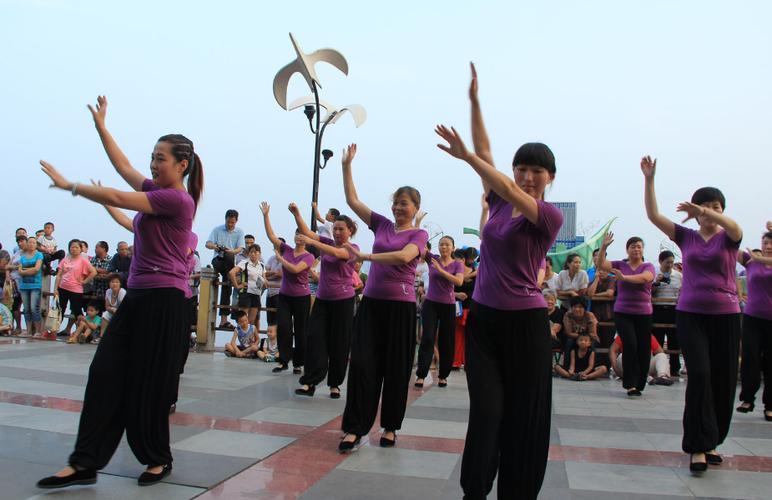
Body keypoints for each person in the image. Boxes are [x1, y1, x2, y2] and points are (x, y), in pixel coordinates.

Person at [36, 95, 203, 489]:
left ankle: (157, 459)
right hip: (138, 298)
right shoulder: (156, 189)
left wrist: (70, 186)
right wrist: (102, 127)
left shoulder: (177, 200)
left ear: (181, 165)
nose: (152, 164)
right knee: (105, 371)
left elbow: (115, 196)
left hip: (164, 302)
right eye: (153, 156)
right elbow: (123, 168)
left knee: (149, 383)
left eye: (161, 158)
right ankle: (85, 462)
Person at [433, 63, 563, 499]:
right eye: (521, 168)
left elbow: (499, 180)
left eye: (536, 171)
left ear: (550, 178)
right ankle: (475, 490)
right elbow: (489, 161)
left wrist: (468, 157)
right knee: (487, 412)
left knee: (522, 417)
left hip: (526, 327)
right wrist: (474, 101)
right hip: (485, 322)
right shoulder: (500, 202)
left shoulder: (547, 214)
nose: (527, 176)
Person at [642, 154, 742, 472]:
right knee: (699, 374)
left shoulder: (729, 237)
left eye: (716, 207)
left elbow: (736, 226)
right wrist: (649, 180)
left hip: (727, 316)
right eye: (704, 207)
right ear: (695, 216)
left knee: (723, 380)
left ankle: (712, 440)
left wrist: (704, 210)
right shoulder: (687, 238)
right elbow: (654, 215)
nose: (710, 213)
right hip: (691, 315)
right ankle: (697, 445)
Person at [337, 144, 429, 452]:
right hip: (372, 306)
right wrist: (347, 165)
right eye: (396, 203)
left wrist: (364, 255)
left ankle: (390, 426)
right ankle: (354, 428)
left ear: (415, 207)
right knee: (363, 365)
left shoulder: (419, 235)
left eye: (404, 204)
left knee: (396, 368)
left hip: (400, 309)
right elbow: (353, 200)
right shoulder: (382, 225)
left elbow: (404, 257)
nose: (398, 208)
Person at [288, 202, 359, 399]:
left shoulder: (353, 248)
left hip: (344, 302)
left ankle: (335, 384)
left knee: (340, 342)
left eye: (341, 229)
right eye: (334, 228)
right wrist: (297, 214)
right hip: (322, 300)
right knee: (315, 338)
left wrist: (314, 242)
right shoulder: (327, 243)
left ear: (350, 230)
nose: (336, 232)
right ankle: (310, 382)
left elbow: (337, 253)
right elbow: (308, 233)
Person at [596, 232, 656, 397]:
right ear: (627, 249)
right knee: (630, 344)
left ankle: (640, 383)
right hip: (623, 312)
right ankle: (629, 384)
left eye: (639, 246)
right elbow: (601, 264)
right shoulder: (620, 265)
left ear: (643, 250)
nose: (636, 249)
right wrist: (604, 247)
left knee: (644, 348)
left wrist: (624, 278)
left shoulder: (648, 266)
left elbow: (646, 278)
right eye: (632, 246)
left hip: (644, 313)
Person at [260, 202, 314, 374]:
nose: (299, 237)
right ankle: (283, 360)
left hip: (302, 298)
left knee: (300, 330)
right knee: (283, 327)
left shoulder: (309, 256)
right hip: (285, 296)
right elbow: (271, 235)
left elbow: (296, 269)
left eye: (302, 235)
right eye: (297, 234)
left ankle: (298, 363)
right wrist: (266, 215)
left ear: (306, 238)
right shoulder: (287, 250)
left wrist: (281, 260)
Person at [415, 236, 465, 389]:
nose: (444, 247)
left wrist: (441, 271)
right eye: (441, 244)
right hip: (430, 304)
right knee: (428, 337)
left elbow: (458, 282)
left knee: (446, 340)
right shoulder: (432, 259)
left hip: (448, 305)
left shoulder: (457, 264)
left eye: (447, 245)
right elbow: (418, 246)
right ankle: (421, 374)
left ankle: (443, 375)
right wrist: (416, 224)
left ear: (453, 248)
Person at [736, 224, 772, 421]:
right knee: (750, 357)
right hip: (752, 317)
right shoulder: (751, 261)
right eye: (765, 242)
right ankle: (747, 399)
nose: (768, 246)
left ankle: (770, 405)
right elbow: (730, 245)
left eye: (771, 243)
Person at [206, 209, 245, 329]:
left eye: (232, 222)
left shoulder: (239, 232)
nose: (230, 224)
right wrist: (217, 247)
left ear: (236, 221)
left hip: (230, 261)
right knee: (228, 278)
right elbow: (207, 244)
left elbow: (241, 248)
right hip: (218, 260)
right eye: (228, 222)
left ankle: (223, 320)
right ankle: (229, 277)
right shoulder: (217, 229)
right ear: (225, 219)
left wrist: (231, 251)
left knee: (226, 285)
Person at [54, 239, 97, 337]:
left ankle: (83, 332)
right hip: (62, 287)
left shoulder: (83, 260)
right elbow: (59, 274)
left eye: (76, 247)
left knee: (77, 311)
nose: (74, 249)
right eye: (72, 247)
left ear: (80, 249)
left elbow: (93, 272)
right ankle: (54, 330)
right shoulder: (65, 259)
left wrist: (84, 281)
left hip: (76, 289)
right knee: (60, 310)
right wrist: (55, 288)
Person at [652, 249, 683, 376]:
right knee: (657, 339)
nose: (669, 265)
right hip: (658, 309)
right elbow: (649, 292)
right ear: (660, 262)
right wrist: (656, 283)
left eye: (671, 262)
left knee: (674, 339)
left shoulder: (678, 275)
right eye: (667, 262)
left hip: (673, 309)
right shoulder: (654, 273)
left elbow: (682, 292)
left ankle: (675, 367)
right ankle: (657, 366)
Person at [609, 333, 674, 386]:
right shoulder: (624, 334)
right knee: (621, 356)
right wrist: (616, 369)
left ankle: (662, 376)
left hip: (645, 366)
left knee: (662, 356)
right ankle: (643, 377)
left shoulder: (648, 336)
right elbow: (612, 350)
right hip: (628, 367)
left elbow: (660, 352)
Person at [228, 244, 265, 328]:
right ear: (248, 253)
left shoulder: (261, 265)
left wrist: (264, 282)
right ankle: (240, 339)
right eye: (251, 252)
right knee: (242, 320)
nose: (253, 254)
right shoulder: (244, 263)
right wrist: (237, 286)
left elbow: (264, 279)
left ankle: (249, 340)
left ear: (259, 253)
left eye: (255, 252)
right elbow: (232, 273)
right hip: (245, 293)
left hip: (256, 294)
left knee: (251, 322)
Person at [17, 236, 44, 336]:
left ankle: (38, 331)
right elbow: (19, 271)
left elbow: (36, 269)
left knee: (34, 308)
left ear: (36, 245)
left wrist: (25, 271)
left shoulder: (39, 255)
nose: (31, 244)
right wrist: (29, 271)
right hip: (24, 285)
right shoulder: (23, 256)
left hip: (35, 285)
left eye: (33, 243)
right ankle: (28, 331)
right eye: (30, 242)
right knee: (26, 309)